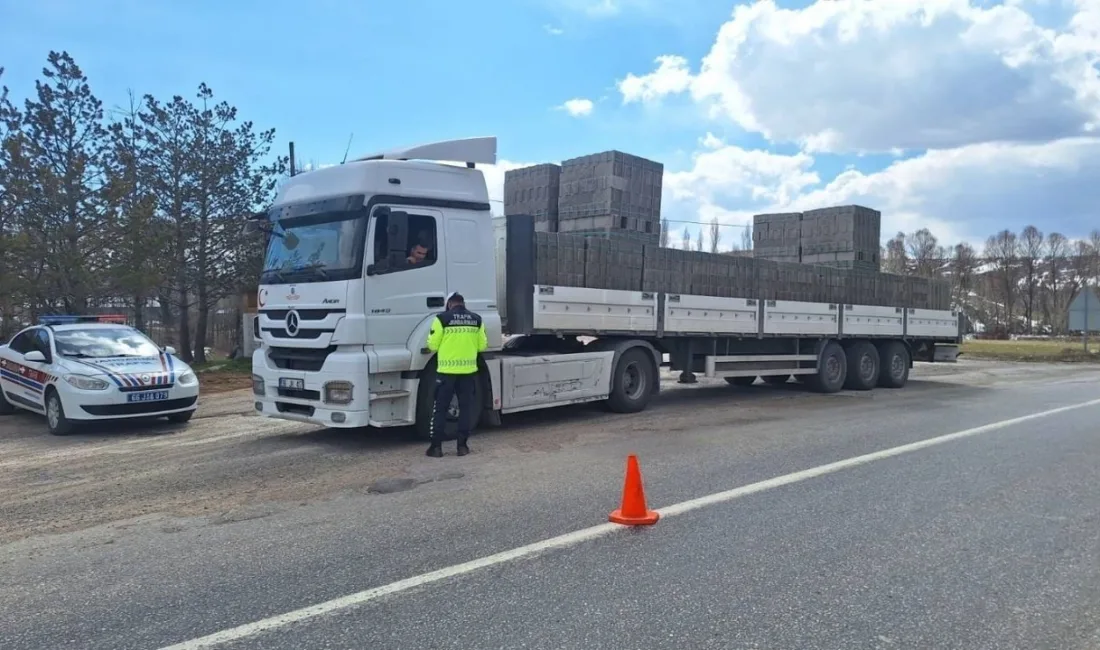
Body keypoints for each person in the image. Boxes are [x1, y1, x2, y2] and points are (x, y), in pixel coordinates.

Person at [425, 291, 487, 458]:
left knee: (440, 409)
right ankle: (462, 447)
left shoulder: (441, 319)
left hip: (446, 373)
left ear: (449, 304)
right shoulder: (476, 319)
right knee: (465, 409)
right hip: (468, 372)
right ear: (463, 303)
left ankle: (436, 448)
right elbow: (482, 346)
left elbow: (432, 345)